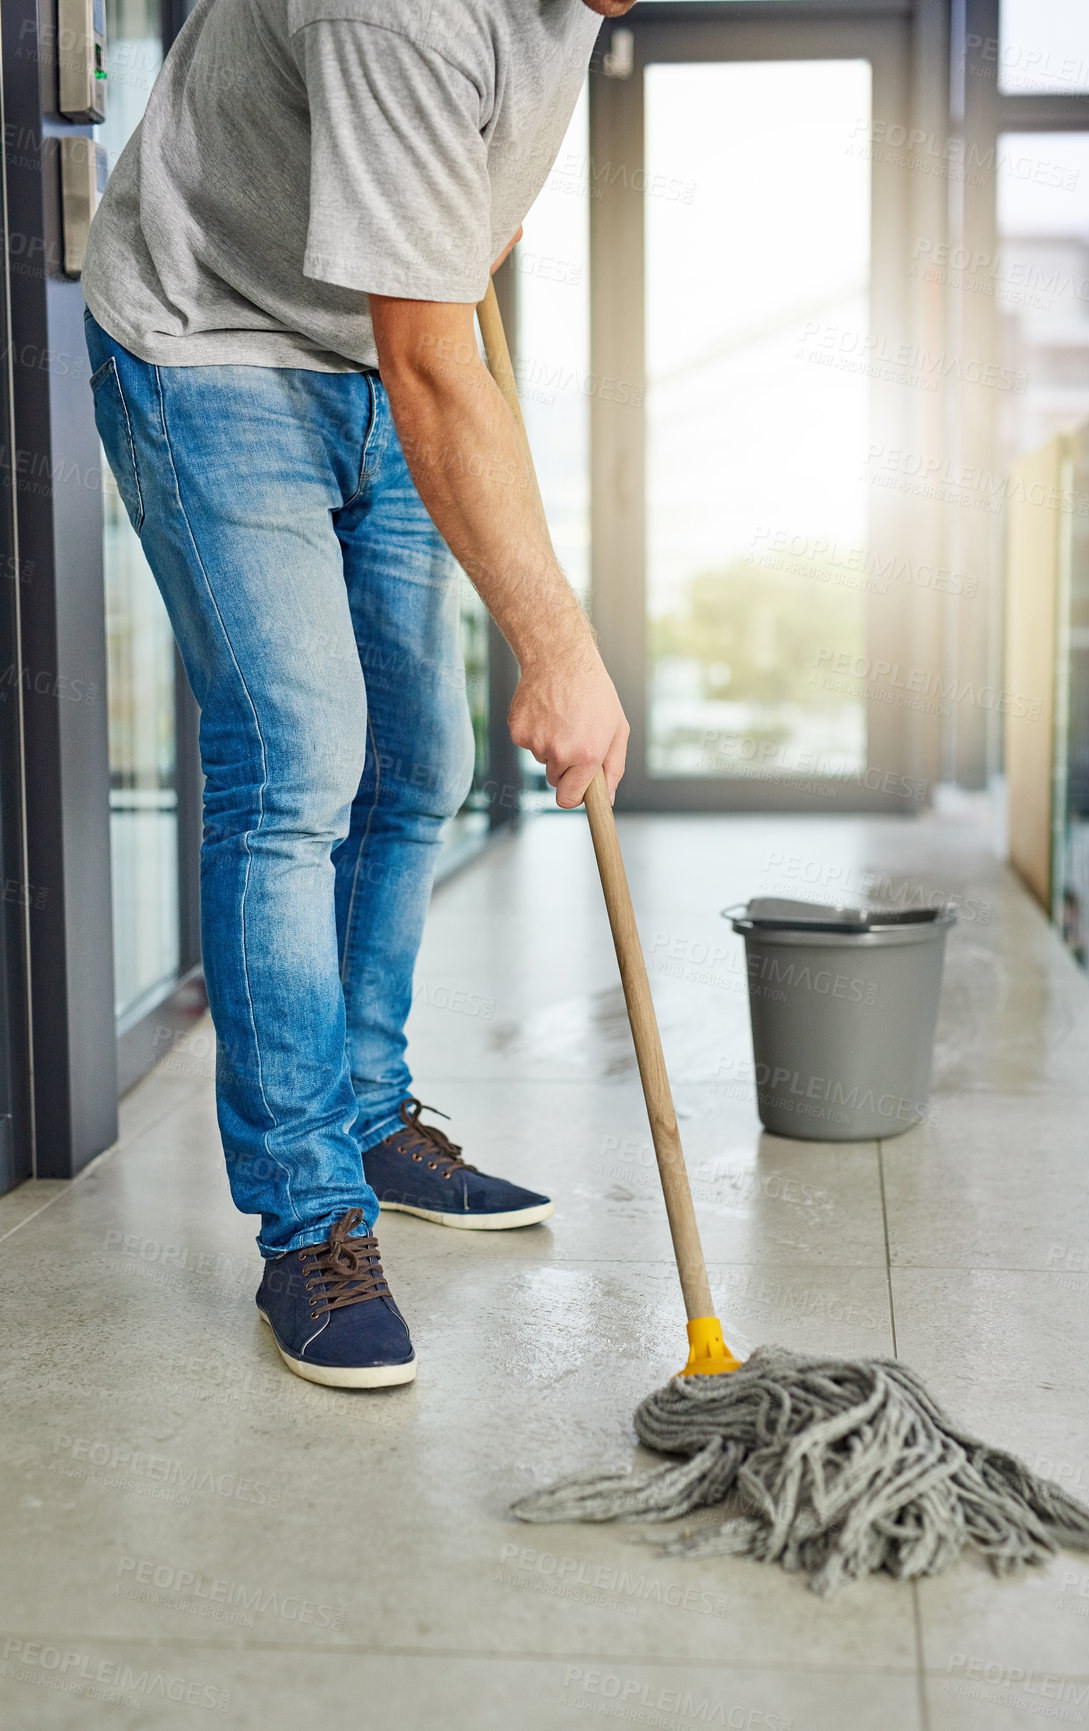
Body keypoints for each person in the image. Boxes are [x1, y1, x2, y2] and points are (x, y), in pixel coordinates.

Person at [82, 0, 636, 1390]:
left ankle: (368, 1113)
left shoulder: (583, 7)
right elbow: (435, 363)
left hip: (379, 344)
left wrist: (460, 236)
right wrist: (560, 650)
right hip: (210, 340)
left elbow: (468, 228)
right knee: (297, 763)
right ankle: (311, 1220)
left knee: (414, 760)